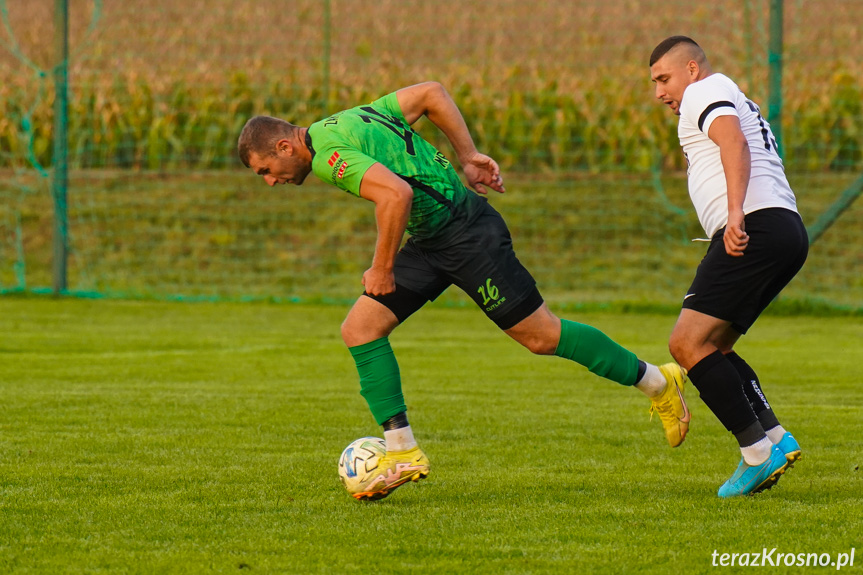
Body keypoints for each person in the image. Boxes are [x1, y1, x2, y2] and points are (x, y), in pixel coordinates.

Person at [238, 82, 688, 501]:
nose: (271, 181)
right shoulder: (344, 120)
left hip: (467, 235)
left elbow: (395, 196)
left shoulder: (327, 155)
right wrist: (468, 155)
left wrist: (382, 268)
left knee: (541, 337)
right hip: (432, 241)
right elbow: (431, 93)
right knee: (361, 328)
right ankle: (402, 449)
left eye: (267, 170)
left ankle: (657, 380)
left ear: (284, 146)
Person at [649, 37, 808, 498]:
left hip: (754, 226)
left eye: (664, 78)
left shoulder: (705, 89)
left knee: (687, 343)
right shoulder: (724, 93)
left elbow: (732, 142)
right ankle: (777, 437)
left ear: (692, 68)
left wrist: (735, 212)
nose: (659, 92)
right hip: (781, 230)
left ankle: (756, 455)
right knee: (714, 346)